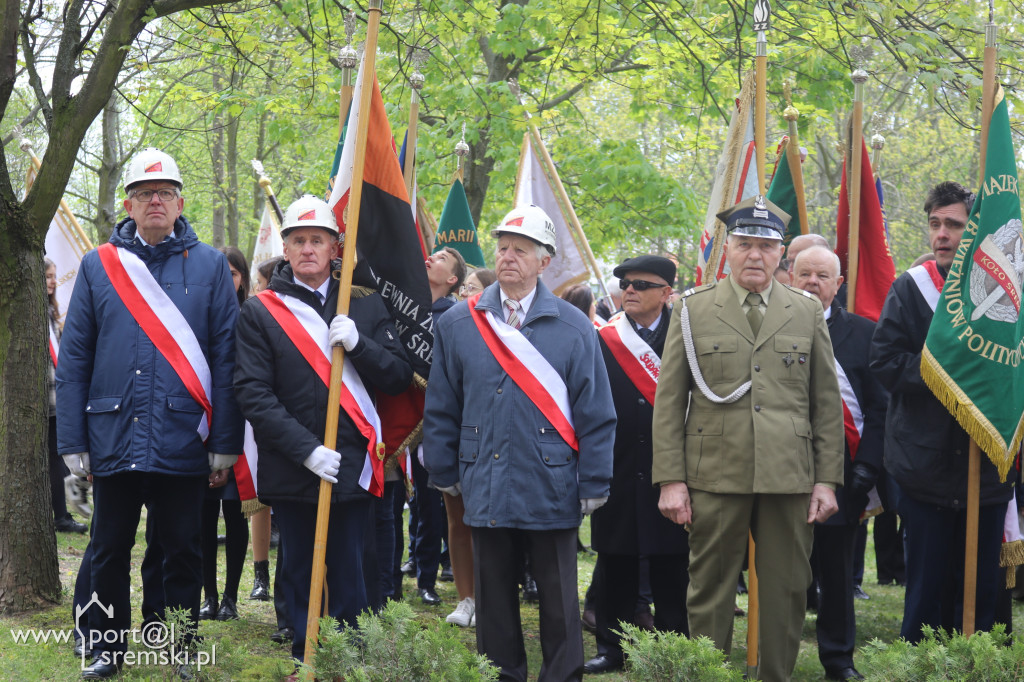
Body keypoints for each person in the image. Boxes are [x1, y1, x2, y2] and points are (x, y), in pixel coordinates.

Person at [57, 148, 244, 680]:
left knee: (183, 549)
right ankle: (107, 647)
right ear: (129, 204)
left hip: (184, 436)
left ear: (181, 202)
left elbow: (228, 358)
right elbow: (75, 359)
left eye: (163, 193)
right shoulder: (98, 267)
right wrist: (73, 442)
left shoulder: (209, 265)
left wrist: (225, 443)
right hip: (112, 433)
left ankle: (180, 643)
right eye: (144, 193)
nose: (154, 200)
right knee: (109, 548)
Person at [652, 195, 844, 682]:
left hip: (789, 476)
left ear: (783, 255)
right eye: (744, 245)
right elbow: (670, 401)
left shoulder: (806, 312)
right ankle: (706, 676)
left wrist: (827, 482)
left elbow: (825, 404)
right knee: (710, 589)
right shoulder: (692, 311)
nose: (755, 255)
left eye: (766, 246)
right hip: (715, 472)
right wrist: (671, 480)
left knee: (787, 589)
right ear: (727, 250)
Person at [424, 204, 616, 681]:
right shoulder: (458, 324)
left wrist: (594, 480)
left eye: (521, 250)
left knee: (558, 601)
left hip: (551, 481)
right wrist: (445, 472)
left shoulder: (574, 328)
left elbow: (596, 413)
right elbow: (442, 405)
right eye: (503, 248)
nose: (508, 257)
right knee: (492, 600)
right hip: (483, 479)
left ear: (544, 261)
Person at [233, 195, 412, 668]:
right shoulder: (260, 311)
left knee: (352, 569)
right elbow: (253, 394)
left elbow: (396, 377)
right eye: (298, 241)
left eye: (318, 240)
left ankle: (349, 661)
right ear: (285, 250)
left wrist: (360, 345)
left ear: (335, 248)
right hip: (295, 465)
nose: (308, 248)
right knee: (297, 570)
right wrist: (306, 450)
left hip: (352, 462)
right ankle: (304, 659)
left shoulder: (364, 305)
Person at [870, 181, 1013, 643]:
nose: (942, 234)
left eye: (954, 224)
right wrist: (946, 373)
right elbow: (886, 363)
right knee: (927, 593)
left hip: (988, 470)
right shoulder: (911, 290)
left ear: (978, 231)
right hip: (924, 468)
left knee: (983, 592)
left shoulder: (1007, 298)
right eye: (935, 224)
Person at [585, 255, 690, 674]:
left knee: (671, 563)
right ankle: (613, 647)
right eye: (626, 283)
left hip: (674, 468)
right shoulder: (603, 338)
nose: (629, 290)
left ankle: (672, 646)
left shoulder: (688, 336)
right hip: (618, 464)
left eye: (642, 285)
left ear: (666, 293)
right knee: (616, 559)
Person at [792, 246, 888, 681]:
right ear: (789, 277)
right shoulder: (772, 328)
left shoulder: (866, 334)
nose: (813, 282)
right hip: (783, 470)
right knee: (785, 570)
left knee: (836, 572)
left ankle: (838, 658)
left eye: (822, 275)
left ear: (838, 284)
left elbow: (881, 407)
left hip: (843, 475)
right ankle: (779, 651)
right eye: (804, 273)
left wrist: (867, 468)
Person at [196, 246, 253, 623]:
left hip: (243, 432)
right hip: (202, 428)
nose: (227, 280)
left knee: (234, 516)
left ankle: (231, 597)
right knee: (202, 518)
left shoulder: (253, 316)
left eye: (233, 273)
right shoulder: (198, 315)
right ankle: (208, 596)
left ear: (243, 279)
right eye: (221, 273)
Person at [45, 257, 88, 534]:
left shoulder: (51, 312)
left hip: (57, 396)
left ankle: (63, 512)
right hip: (47, 400)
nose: (52, 281)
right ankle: (60, 515)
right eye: (48, 276)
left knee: (57, 456)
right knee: (54, 457)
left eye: (54, 276)